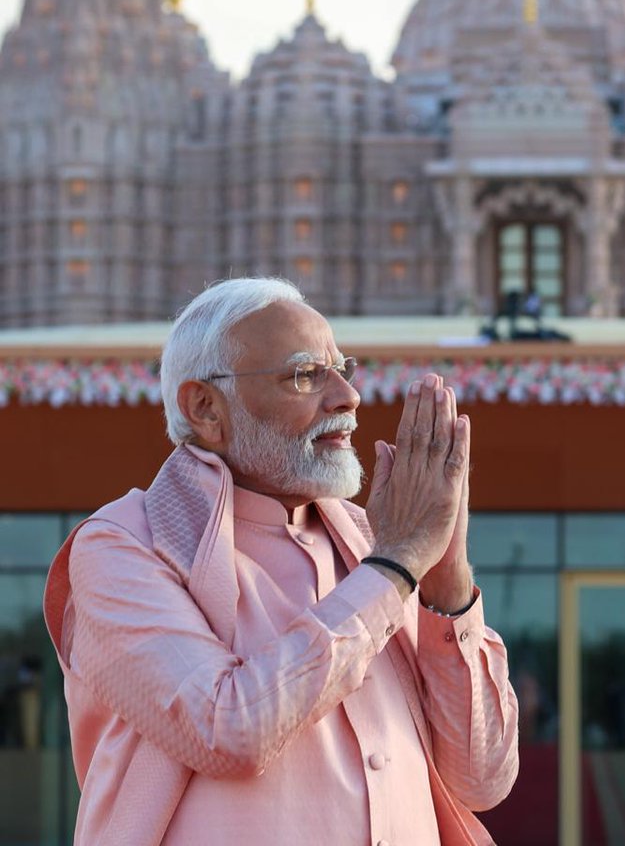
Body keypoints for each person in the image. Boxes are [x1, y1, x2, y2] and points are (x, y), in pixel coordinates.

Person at [44, 277, 518, 845]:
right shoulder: (124, 547)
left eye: (344, 369)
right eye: (305, 375)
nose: (347, 396)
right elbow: (227, 731)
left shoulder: (373, 545)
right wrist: (396, 567)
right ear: (205, 407)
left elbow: (483, 779)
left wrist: (444, 573)